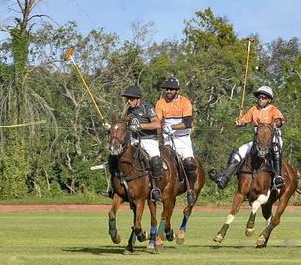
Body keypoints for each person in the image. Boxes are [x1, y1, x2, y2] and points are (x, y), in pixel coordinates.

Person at [208, 85, 285, 190]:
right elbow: (245, 120)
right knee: (238, 152)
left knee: (276, 149)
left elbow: (280, 120)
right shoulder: (253, 109)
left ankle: (278, 177)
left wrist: (276, 123)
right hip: (258, 140)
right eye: (259, 97)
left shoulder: (273, 109)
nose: (260, 99)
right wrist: (241, 122)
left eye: (263, 97)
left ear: (269, 100)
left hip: (273, 137)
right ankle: (224, 178)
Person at [155, 76, 198, 206]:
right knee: (158, 162)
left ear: (177, 90)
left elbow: (187, 123)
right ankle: (156, 188)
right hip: (166, 138)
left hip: (182, 137)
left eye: (171, 89)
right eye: (167, 89)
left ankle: (190, 190)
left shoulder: (185, 102)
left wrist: (172, 127)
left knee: (189, 163)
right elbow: (157, 122)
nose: (168, 91)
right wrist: (160, 131)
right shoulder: (160, 103)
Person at [122, 85, 163, 202]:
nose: (129, 101)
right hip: (134, 140)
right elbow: (123, 124)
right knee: (117, 156)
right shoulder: (129, 111)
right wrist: (111, 127)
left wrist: (140, 126)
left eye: (131, 99)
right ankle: (115, 187)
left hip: (149, 139)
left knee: (155, 161)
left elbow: (157, 124)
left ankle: (156, 188)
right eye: (128, 99)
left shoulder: (147, 108)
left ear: (138, 99)